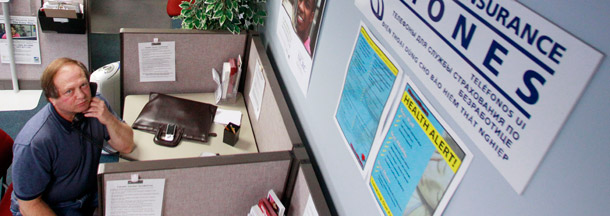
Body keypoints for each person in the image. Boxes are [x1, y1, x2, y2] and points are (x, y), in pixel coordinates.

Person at [10, 58, 135, 215]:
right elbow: (29, 205)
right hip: (55, 206)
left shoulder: (97, 105)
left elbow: (127, 145)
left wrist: (109, 119)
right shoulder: (35, 142)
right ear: (52, 98)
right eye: (69, 91)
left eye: (83, 85)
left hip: (89, 194)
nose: (82, 96)